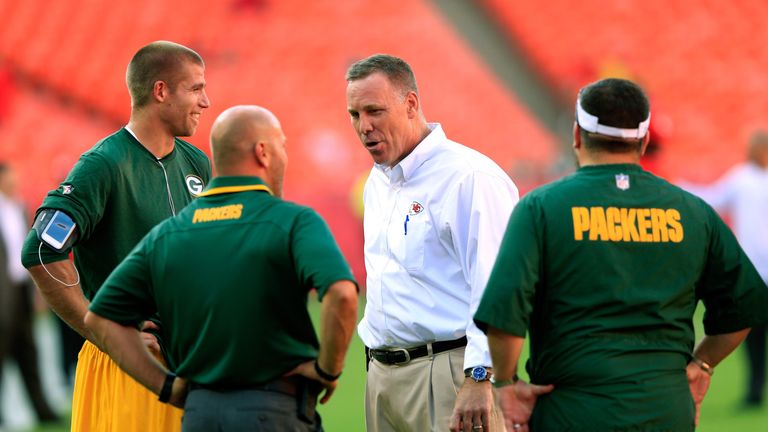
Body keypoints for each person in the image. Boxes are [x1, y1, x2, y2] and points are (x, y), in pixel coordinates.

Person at [474, 78, 768, 431]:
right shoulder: (692, 211)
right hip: (666, 408)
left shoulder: (539, 207)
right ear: (644, 141)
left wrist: (506, 384)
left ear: (577, 136)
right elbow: (745, 304)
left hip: (572, 410)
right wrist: (702, 364)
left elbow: (505, 315)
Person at [83, 105, 359, 431]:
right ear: (263, 152)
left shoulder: (168, 234)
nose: (284, 156)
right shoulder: (293, 220)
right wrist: (328, 370)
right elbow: (341, 293)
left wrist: (166, 386)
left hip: (199, 413)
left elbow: (100, 319)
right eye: (281, 146)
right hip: (273, 411)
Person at [20, 40, 212, 432]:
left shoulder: (198, 163)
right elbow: (42, 251)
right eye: (195, 88)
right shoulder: (103, 165)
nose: (205, 101)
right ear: (160, 91)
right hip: (129, 368)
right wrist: (105, 334)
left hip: (193, 361)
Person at [345, 54, 519, 432]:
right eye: (355, 115)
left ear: (410, 104)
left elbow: (498, 286)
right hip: (382, 377)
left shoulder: (470, 177)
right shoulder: (378, 181)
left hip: (450, 377)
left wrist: (479, 374)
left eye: (374, 110)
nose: (364, 126)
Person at [680, 131, 768, 407]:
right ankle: (755, 391)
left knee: (753, 336)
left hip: (755, 270)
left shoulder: (742, 178)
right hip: (755, 270)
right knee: (753, 339)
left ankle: (755, 392)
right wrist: (679, 188)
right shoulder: (741, 178)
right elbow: (712, 199)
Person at [0, 163, 60, 426]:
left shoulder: (20, 207)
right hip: (3, 293)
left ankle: (42, 409)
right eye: (9, 179)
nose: (14, 183)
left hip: (21, 289)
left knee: (29, 352)